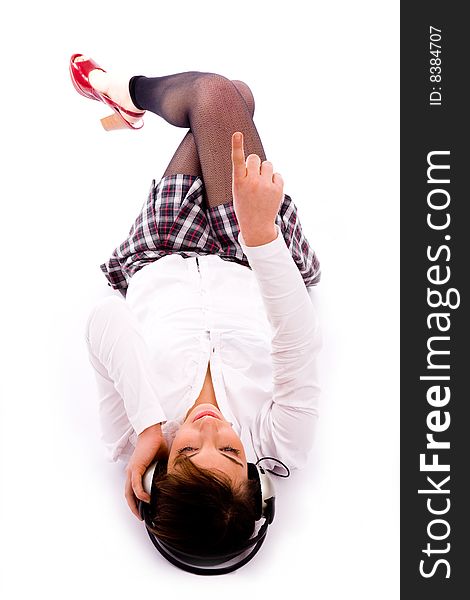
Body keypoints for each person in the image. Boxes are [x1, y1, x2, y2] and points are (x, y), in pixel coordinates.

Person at [72, 54, 322, 557]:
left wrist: (148, 426)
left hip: (162, 249)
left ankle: (121, 93)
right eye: (229, 450)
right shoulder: (281, 443)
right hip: (253, 250)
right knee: (224, 97)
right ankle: (121, 91)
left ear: (159, 472)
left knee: (222, 97)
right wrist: (260, 235)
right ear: (258, 482)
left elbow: (105, 319)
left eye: (186, 450)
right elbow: (299, 336)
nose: (208, 428)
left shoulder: (130, 439)